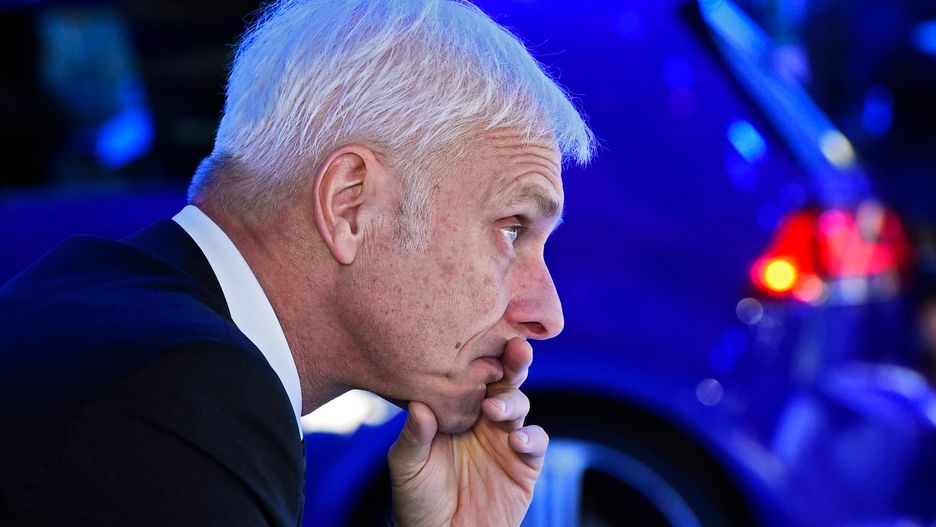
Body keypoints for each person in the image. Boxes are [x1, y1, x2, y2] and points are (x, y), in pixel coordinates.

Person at [0, 0, 594, 525]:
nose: (546, 314)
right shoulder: (183, 396)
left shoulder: (92, 297)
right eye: (511, 229)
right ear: (349, 205)